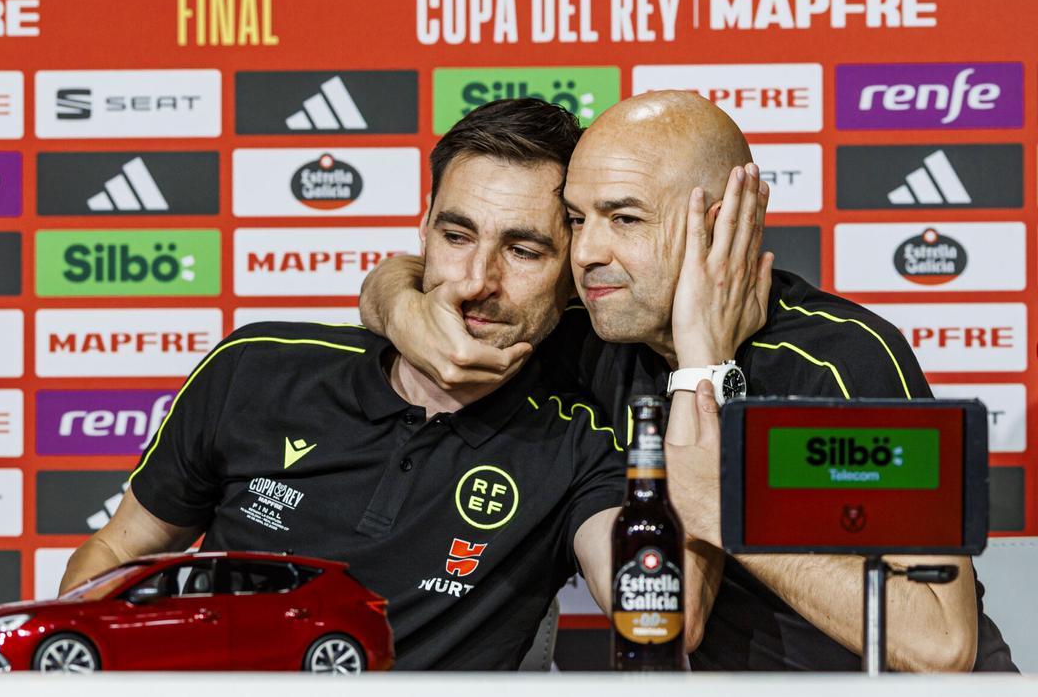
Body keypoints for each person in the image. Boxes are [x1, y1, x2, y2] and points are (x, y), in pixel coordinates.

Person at [58, 98, 768, 669]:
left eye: (523, 250)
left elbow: (666, 618)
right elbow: (118, 552)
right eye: (457, 237)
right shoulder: (258, 367)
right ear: (421, 233)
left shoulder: (580, 439)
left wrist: (702, 360)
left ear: (573, 272)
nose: (476, 282)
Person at [359, 90, 1017, 672]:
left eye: (625, 219)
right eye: (579, 220)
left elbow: (941, 644)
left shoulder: (837, 360)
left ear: (718, 223)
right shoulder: (590, 333)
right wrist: (404, 310)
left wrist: (728, 512)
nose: (587, 253)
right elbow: (407, 277)